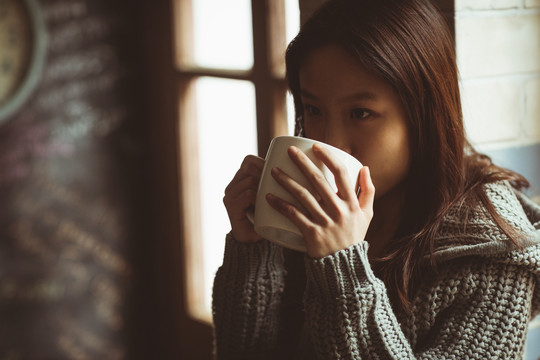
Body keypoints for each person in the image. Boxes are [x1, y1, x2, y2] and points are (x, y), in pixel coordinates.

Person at [213, 0, 540, 358]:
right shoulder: (305, 209)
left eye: (360, 113)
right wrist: (252, 253)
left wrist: (343, 270)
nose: (329, 142)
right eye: (313, 109)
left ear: (422, 116)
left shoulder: (494, 256)